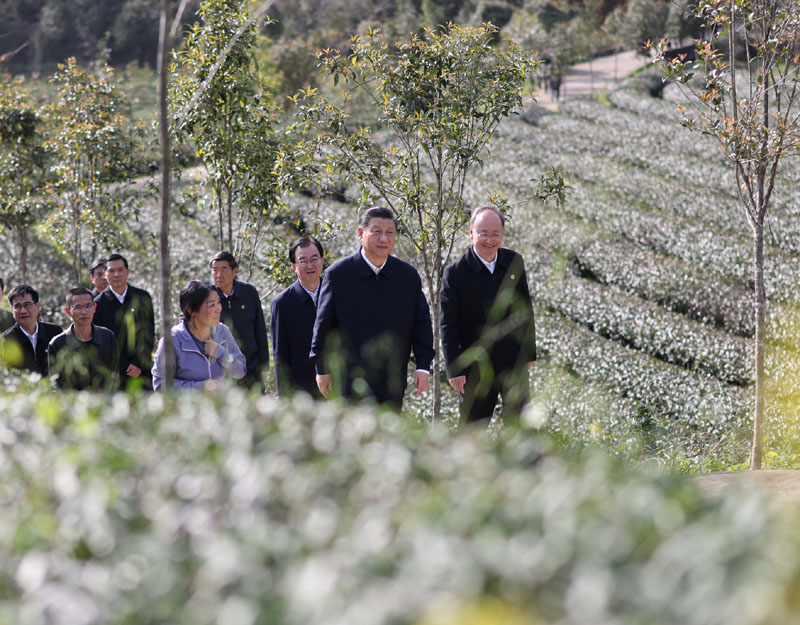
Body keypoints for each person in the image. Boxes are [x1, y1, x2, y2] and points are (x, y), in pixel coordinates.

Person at [310, 206, 435, 409]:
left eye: (390, 233)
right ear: (361, 233)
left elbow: (421, 323)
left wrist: (423, 366)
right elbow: (323, 324)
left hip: (392, 381)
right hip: (348, 382)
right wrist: (321, 368)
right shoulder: (338, 275)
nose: (384, 239)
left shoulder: (408, 276)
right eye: (376, 232)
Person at [440, 205, 536, 422]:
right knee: (473, 429)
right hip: (476, 368)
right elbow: (448, 324)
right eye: (484, 233)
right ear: (471, 232)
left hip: (512, 361)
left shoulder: (513, 262)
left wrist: (529, 352)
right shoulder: (455, 273)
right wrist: (454, 369)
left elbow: (525, 310)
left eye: (496, 234)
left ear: (502, 234)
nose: (489, 240)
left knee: (520, 425)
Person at [152, 280, 246, 390]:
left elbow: (240, 371)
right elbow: (160, 386)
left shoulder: (223, 332)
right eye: (212, 305)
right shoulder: (172, 341)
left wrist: (221, 353)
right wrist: (201, 388)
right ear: (191, 311)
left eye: (218, 302)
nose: (219, 309)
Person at [270, 236, 324, 398]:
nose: (310, 265)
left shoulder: (336, 294)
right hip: (302, 393)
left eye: (314, 259)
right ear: (294, 266)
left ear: (322, 260)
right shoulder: (283, 303)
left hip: (337, 388)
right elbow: (281, 356)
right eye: (303, 261)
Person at [93, 253, 155, 390]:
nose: (116, 275)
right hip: (114, 375)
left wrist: (138, 363)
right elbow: (101, 342)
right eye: (111, 271)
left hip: (142, 371)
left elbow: (149, 333)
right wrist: (122, 366)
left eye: (120, 270)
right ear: (105, 274)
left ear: (128, 271)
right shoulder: (98, 304)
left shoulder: (142, 297)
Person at [210, 251, 270, 388]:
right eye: (215, 270)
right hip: (221, 372)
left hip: (252, 368)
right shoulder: (207, 296)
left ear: (234, 271)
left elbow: (260, 329)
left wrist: (264, 365)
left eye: (223, 270)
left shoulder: (249, 292)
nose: (218, 275)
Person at [48, 287, 119, 390]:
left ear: (94, 308)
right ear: (68, 311)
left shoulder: (107, 337)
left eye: (88, 306)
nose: (84, 312)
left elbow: (114, 376)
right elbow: (56, 385)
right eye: (78, 307)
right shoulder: (57, 344)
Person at [0, 284, 63, 376]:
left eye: (27, 305)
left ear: (38, 306)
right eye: (17, 306)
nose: (23, 311)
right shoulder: (5, 340)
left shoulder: (55, 332)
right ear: (12, 310)